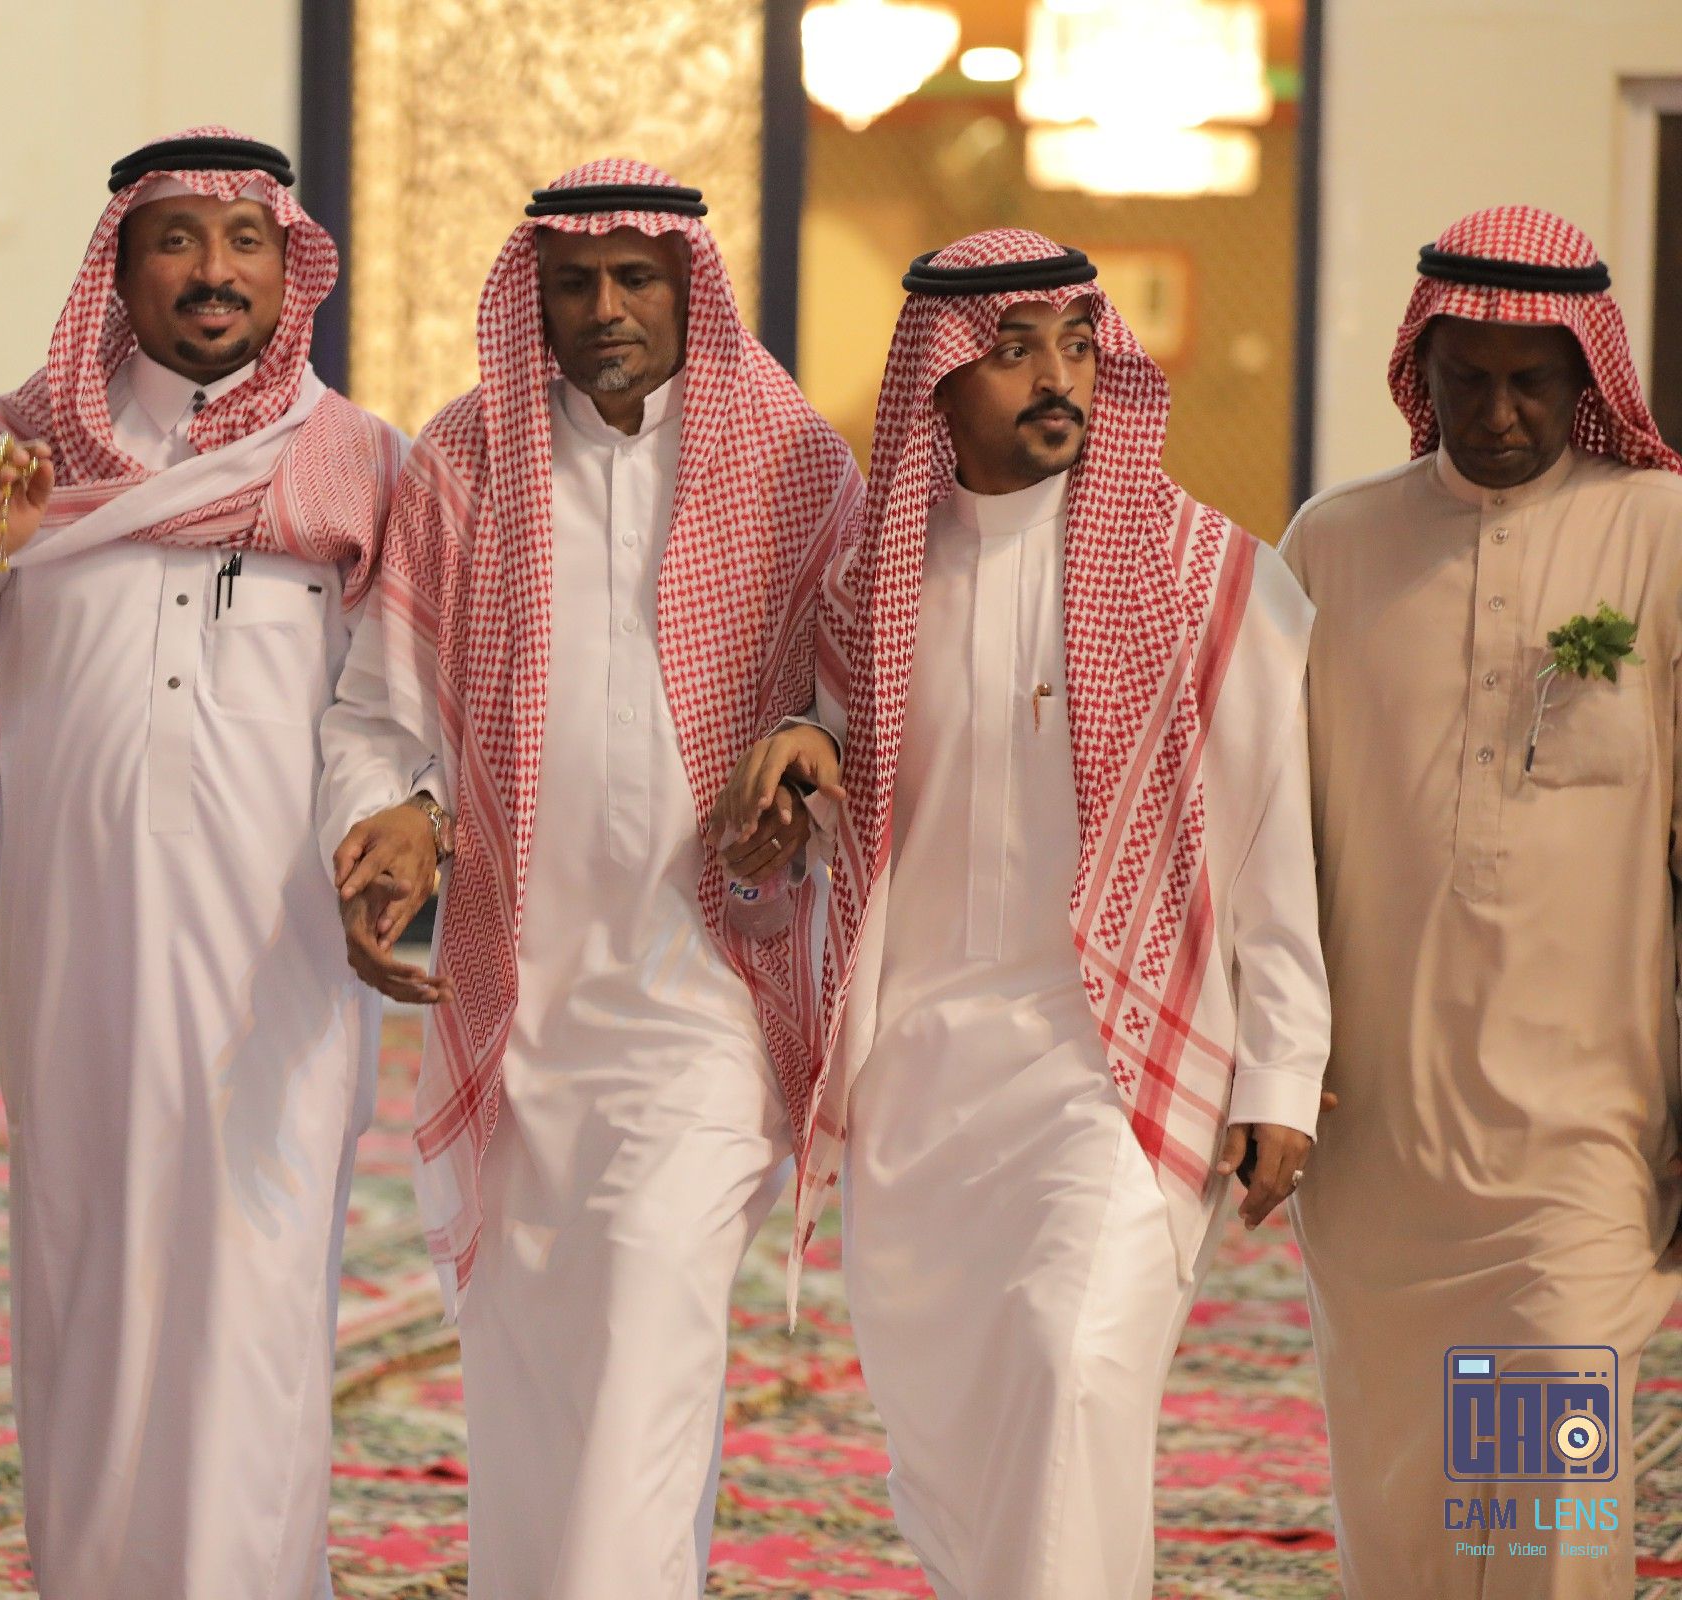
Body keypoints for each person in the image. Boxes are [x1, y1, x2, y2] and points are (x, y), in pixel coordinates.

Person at [721, 229, 1329, 1599]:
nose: (1058, 377)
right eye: (1012, 350)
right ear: (938, 377)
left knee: (1071, 1361)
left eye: (1077, 346)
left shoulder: (1205, 577)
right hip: (923, 1077)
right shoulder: (866, 587)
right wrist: (805, 755)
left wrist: (1284, 1071)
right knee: (963, 1441)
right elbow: (834, 815)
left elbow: (1271, 844)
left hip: (1110, 1067)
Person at [0, 128, 403, 1599]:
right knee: (85, 1271)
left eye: (244, 241)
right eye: (177, 240)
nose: (213, 272)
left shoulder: (356, 459)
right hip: (77, 945)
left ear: (288, 266)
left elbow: (399, 704)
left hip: (276, 958)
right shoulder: (25, 442)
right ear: (123, 265)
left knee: (256, 1286)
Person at [317, 160, 864, 1599]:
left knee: (643, 1321)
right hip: (521, 998)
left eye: (636, 278)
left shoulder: (793, 462)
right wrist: (397, 816)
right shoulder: (465, 463)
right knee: (540, 1372)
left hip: (712, 991)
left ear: (691, 287)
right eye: (574, 284)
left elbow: (865, 696)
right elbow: (378, 712)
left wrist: (810, 752)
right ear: (536, 299)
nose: (606, 308)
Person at [1282, 205, 1682, 1599]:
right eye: (1468, 378)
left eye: (1533, 382)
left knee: (1537, 1514)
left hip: (1576, 1145)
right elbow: (1268, 842)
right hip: (1378, 1151)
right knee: (1406, 1515)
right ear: (1420, 368)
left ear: (1588, 378)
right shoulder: (1335, 548)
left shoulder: (1660, 535)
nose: (1500, 413)